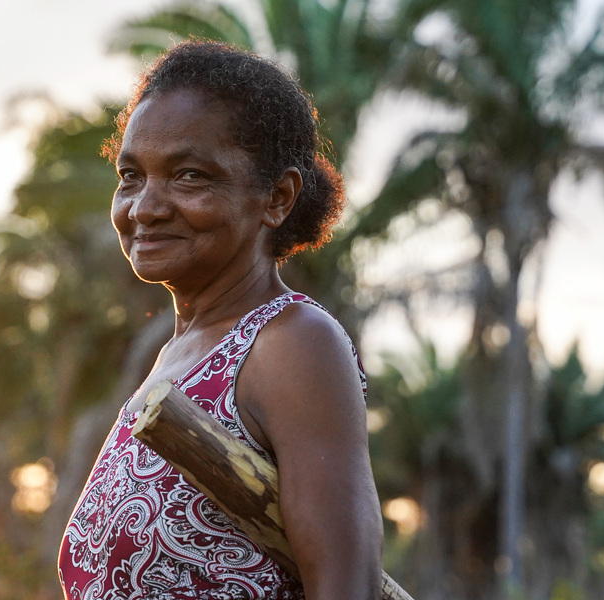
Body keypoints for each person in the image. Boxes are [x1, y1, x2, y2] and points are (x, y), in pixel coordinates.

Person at [57, 41, 382, 600]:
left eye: (188, 176)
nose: (144, 207)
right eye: (131, 175)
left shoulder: (293, 345)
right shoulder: (175, 360)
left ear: (277, 198)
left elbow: (345, 585)